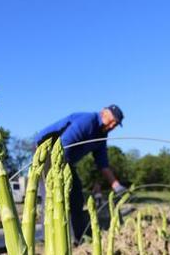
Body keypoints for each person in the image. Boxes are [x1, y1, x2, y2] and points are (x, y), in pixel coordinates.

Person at [34, 104, 127, 242]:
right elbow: (64, 144)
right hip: (47, 152)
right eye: (113, 121)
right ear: (104, 113)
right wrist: (59, 174)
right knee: (51, 194)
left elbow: (102, 164)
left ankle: (77, 237)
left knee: (76, 195)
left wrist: (117, 186)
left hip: (66, 159)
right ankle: (49, 238)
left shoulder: (102, 135)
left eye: (116, 124)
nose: (113, 125)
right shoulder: (88, 121)